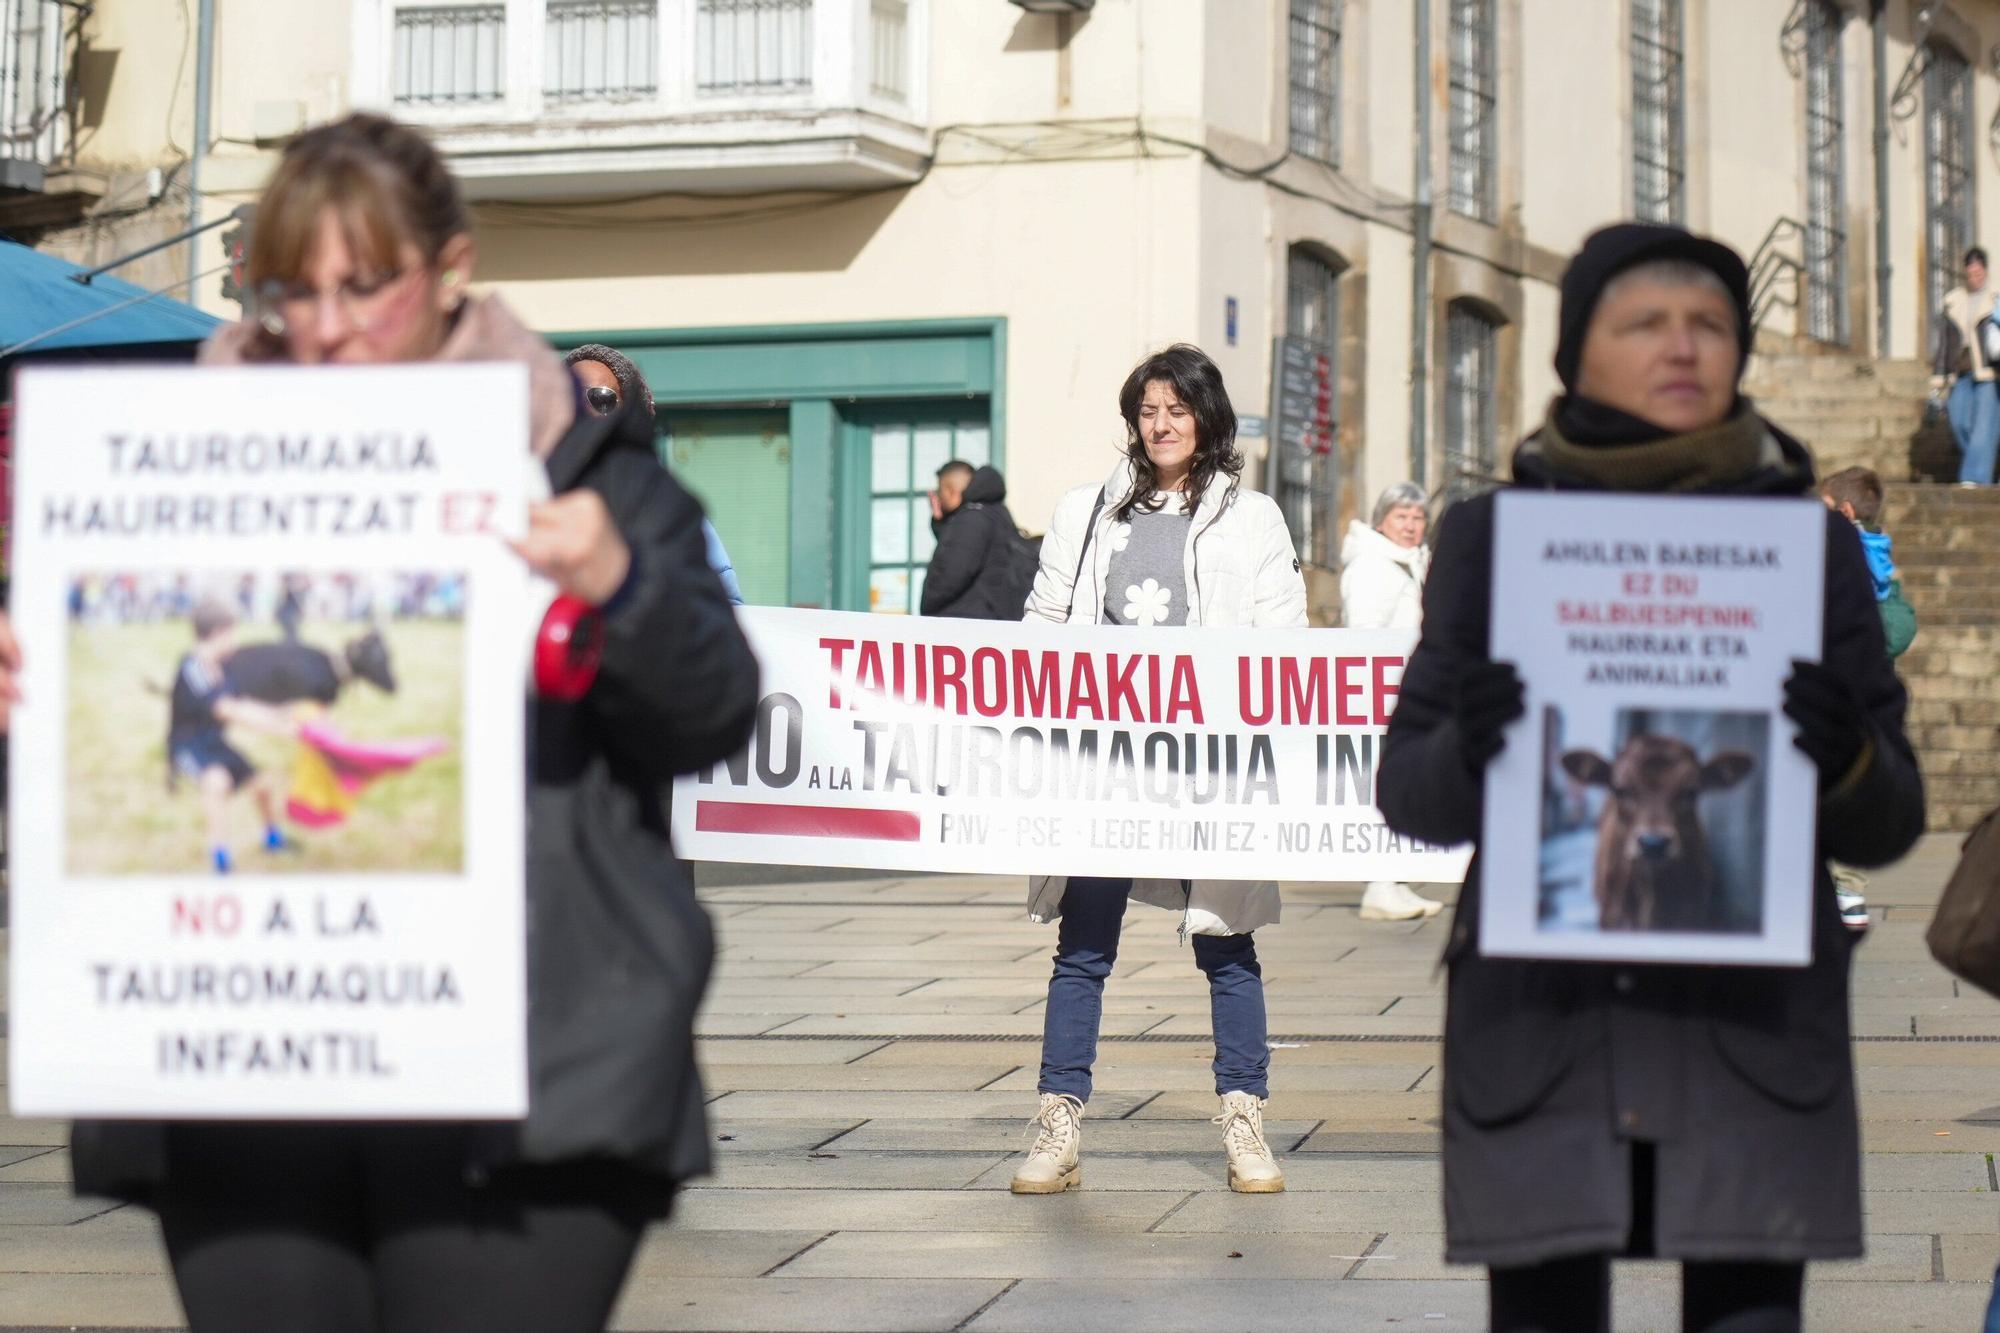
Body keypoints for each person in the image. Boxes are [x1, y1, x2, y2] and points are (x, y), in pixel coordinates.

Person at [65, 113, 759, 1333]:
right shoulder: (152, 484)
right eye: (289, 289)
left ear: (448, 271)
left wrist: (622, 592)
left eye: (364, 283)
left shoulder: (590, 476)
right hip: (240, 1060)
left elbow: (713, 710)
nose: (326, 325)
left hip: (534, 1078)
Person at [1376, 223, 1925, 1333]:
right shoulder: (1491, 538)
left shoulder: (1804, 547)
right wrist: (1470, 744)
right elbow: (1407, 795)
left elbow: (1892, 817)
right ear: (1575, 353)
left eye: (1709, 324)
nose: (1683, 345)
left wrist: (1844, 753)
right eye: (1645, 322)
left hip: (1749, 1036)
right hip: (1542, 1029)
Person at [1014, 344, 1306, 1195]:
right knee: (1084, 944)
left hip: (1208, 765)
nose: (1162, 423)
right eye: (1149, 409)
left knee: (1225, 939)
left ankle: (1245, 1118)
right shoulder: (1087, 512)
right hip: (1106, 762)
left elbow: (1282, 639)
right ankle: (1057, 1124)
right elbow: (1046, 620)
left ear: (1206, 418)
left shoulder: (1253, 521)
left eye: (1178, 408)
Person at [564, 343, 744, 606]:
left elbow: (725, 611)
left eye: (601, 399)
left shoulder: (668, 508)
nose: (584, 410)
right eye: (570, 395)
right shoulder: (523, 496)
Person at [1817, 465, 1918, 931]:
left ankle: (1846, 888)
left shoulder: (1847, 551)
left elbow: (1893, 623)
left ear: (1846, 511)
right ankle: (1848, 889)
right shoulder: (1878, 553)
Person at [1339, 481, 1445, 922]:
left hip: (1408, 692)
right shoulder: (1373, 566)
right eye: (1401, 516)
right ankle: (1381, 885)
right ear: (1382, 520)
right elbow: (1364, 632)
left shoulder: (1408, 563)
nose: (1411, 526)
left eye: (1418, 518)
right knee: (1384, 786)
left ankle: (1393, 881)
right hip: (1384, 694)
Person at [166, 597, 301, 874]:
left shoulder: (224, 665)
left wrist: (280, 712)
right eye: (232, 632)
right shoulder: (193, 668)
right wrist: (280, 728)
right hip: (187, 746)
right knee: (218, 782)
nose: (235, 640)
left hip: (214, 742)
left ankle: (272, 838)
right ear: (218, 633)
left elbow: (242, 703)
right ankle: (221, 857)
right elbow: (229, 710)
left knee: (262, 785)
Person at [920, 459, 1033, 618]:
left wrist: (928, 604)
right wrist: (942, 522)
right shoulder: (994, 512)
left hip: (969, 622)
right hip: (989, 617)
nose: (938, 497)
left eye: (940, 491)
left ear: (951, 491)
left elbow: (952, 572)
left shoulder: (971, 518)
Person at [1933, 246, 2000, 487]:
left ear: (1985, 271)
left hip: (1989, 372)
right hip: (1959, 371)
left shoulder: (1996, 297)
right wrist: (1938, 376)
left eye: (1979, 273)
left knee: (1984, 425)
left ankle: (1974, 477)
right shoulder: (1953, 300)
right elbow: (1943, 342)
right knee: (1959, 421)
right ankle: (1984, 464)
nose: (1975, 278)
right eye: (1971, 273)